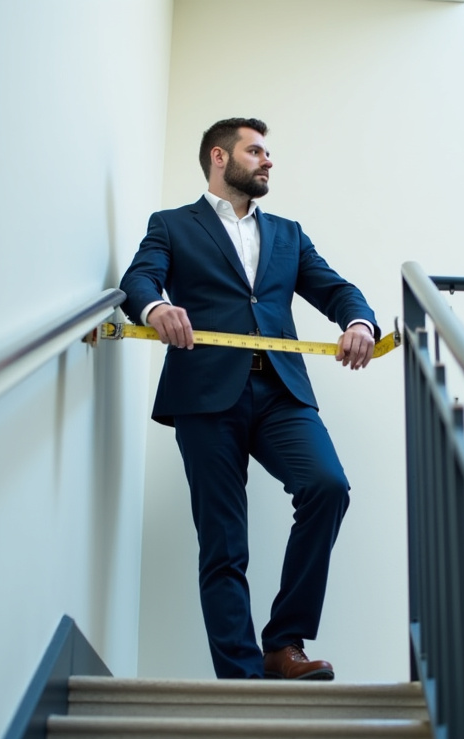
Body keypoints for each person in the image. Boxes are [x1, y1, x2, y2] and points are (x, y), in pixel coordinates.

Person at [119, 118, 378, 680]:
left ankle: (284, 644)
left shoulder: (287, 233)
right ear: (219, 156)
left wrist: (358, 320)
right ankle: (241, 676)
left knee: (326, 486)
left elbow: (336, 289)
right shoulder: (171, 225)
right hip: (206, 394)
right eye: (255, 150)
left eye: (267, 153)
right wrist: (156, 309)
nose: (267, 161)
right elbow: (140, 278)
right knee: (223, 539)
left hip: (281, 390)